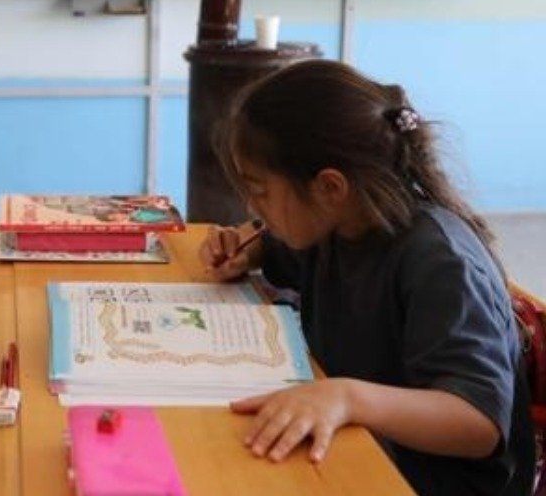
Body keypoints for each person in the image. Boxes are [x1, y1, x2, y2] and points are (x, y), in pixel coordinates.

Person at [198, 60, 533, 496]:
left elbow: (478, 422)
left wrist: (349, 398)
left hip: (433, 480)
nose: (250, 208)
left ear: (329, 188)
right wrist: (246, 250)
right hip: (367, 443)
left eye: (260, 192)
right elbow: (280, 250)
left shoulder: (441, 261)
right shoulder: (340, 223)